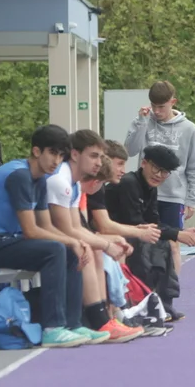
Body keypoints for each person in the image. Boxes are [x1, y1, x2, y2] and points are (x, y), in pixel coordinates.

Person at [0, 125, 92, 348]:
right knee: (55, 249)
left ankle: (72, 324)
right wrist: (71, 240)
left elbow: (45, 226)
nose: (56, 161)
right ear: (36, 151)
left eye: (61, 155)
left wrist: (77, 242)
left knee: (68, 250)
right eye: (52, 153)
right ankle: (52, 328)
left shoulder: (39, 179)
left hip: (4, 241)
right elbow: (31, 231)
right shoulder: (20, 176)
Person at [45, 129, 141, 343]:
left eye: (100, 156)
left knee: (91, 247)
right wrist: (105, 244)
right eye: (94, 156)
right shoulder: (60, 181)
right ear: (75, 154)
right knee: (84, 248)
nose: (99, 162)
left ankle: (102, 319)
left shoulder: (72, 184)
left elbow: (76, 228)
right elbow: (68, 230)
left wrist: (104, 243)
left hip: (49, 233)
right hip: (23, 235)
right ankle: (95, 320)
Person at [107, 144, 195, 322]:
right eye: (156, 169)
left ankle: (164, 303)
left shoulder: (151, 188)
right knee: (146, 244)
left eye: (165, 172)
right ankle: (141, 303)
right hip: (117, 232)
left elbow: (153, 221)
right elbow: (135, 222)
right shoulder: (129, 183)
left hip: (132, 231)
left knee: (166, 244)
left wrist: (178, 232)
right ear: (144, 163)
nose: (159, 175)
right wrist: (176, 234)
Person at [123, 80, 195, 275]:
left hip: (173, 196)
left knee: (172, 243)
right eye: (154, 106)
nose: (157, 111)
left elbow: (194, 166)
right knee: (143, 241)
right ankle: (144, 283)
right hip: (145, 193)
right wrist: (141, 122)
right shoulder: (143, 121)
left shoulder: (189, 128)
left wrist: (191, 200)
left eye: (161, 107)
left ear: (173, 102)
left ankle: (171, 286)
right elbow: (130, 150)